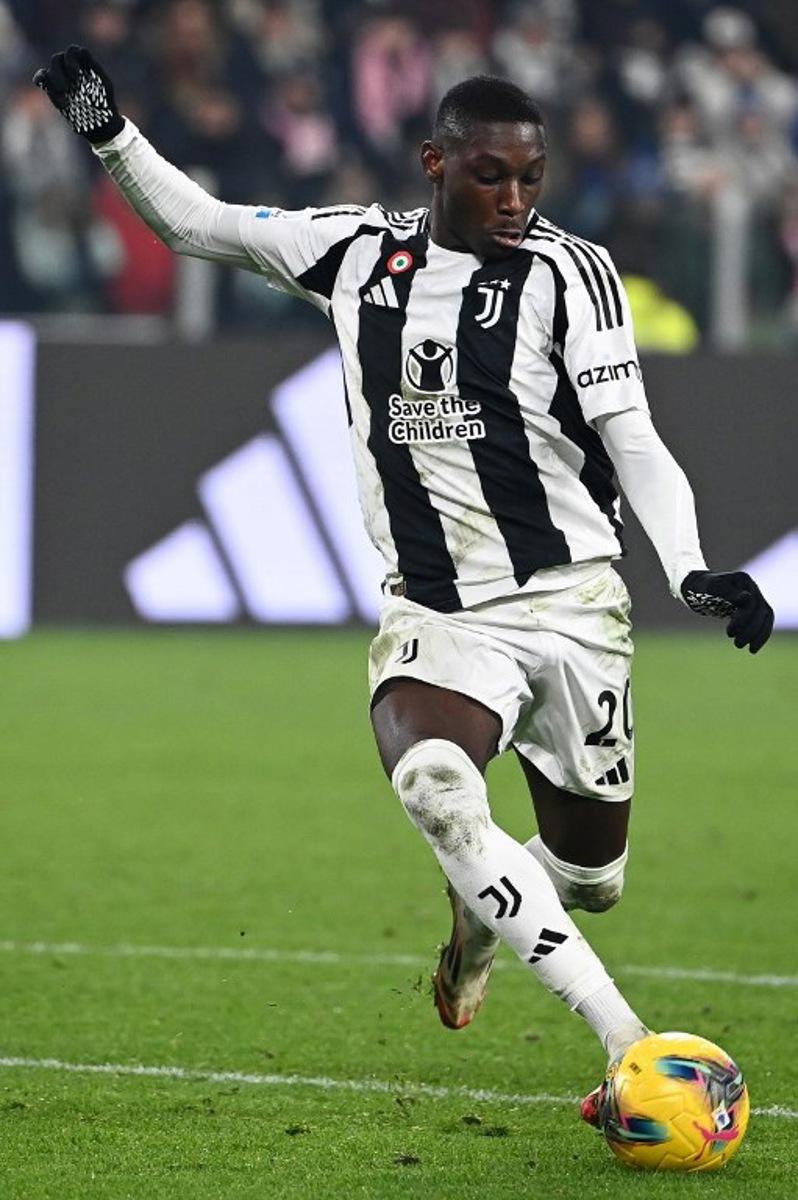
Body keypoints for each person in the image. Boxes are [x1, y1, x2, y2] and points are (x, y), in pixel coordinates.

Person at [33, 46, 774, 1124]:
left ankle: (477, 926)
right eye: (490, 175)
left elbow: (634, 438)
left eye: (532, 177)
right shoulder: (355, 256)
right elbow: (198, 224)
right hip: (437, 614)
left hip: (571, 605)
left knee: (589, 880)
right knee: (435, 787)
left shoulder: (575, 276)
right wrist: (109, 131)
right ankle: (629, 1044)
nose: (516, 199)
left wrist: (694, 566)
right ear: (435, 162)